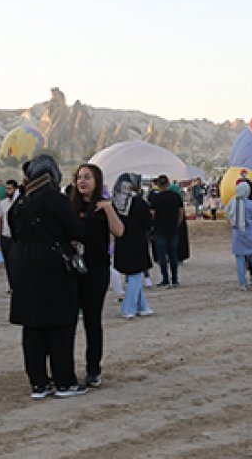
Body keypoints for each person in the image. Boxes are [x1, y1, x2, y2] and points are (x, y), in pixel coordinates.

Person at [7, 154, 88, 398]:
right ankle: (64, 381)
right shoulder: (57, 200)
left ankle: (38, 384)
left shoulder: (19, 204)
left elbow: (14, 233)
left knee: (32, 326)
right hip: (53, 268)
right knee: (60, 324)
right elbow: (76, 231)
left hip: (22, 267)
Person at [70, 164, 124, 387]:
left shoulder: (103, 208)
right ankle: (66, 371)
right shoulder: (69, 206)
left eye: (87, 177)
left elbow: (119, 231)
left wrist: (109, 208)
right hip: (71, 272)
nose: (82, 181)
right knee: (67, 322)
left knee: (92, 322)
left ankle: (93, 369)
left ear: (97, 181)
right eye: (79, 177)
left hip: (96, 271)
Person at [111, 174, 153, 318]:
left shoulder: (114, 202)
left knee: (133, 275)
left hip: (122, 242)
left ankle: (143, 306)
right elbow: (148, 223)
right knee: (136, 275)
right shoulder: (138, 202)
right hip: (137, 242)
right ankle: (128, 308)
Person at [148, 175, 184, 287]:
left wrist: (151, 226)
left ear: (158, 185)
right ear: (168, 183)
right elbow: (181, 212)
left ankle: (165, 279)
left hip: (160, 229)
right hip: (173, 229)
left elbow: (152, 214)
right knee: (173, 255)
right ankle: (175, 279)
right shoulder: (176, 196)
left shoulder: (156, 198)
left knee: (162, 256)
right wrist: (177, 223)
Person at [228, 182, 252, 291]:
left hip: (238, 235)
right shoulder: (251, 205)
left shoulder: (232, 204)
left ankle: (242, 284)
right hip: (251, 234)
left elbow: (229, 218)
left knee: (240, 260)